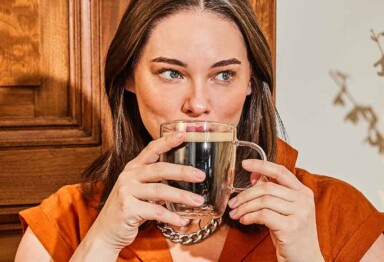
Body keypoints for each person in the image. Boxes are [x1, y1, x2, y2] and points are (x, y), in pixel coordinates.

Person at [15, 0, 384, 261]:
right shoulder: (65, 221)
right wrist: (101, 243)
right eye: (172, 73)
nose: (198, 103)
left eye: (224, 75)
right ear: (128, 77)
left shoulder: (335, 212)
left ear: (250, 83)